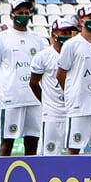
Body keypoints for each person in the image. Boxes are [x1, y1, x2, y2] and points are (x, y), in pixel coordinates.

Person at [0, 0, 45, 156]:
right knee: (7, 143)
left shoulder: (37, 38)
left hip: (33, 99)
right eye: (20, 13)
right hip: (11, 99)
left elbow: (40, 69)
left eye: (27, 13)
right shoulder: (2, 38)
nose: (24, 16)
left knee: (32, 142)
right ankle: (2, 178)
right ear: (12, 15)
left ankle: (32, 178)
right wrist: (3, 90)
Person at [57, 4, 91, 154]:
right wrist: (72, 92)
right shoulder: (71, 45)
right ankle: (71, 177)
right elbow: (61, 74)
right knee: (74, 148)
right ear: (81, 21)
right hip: (79, 105)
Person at [30, 15, 77, 155]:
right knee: (49, 154)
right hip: (53, 115)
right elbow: (33, 83)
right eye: (64, 33)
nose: (67, 36)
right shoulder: (43, 57)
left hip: (73, 112)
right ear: (54, 35)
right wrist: (46, 102)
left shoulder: (77, 54)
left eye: (69, 33)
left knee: (73, 153)